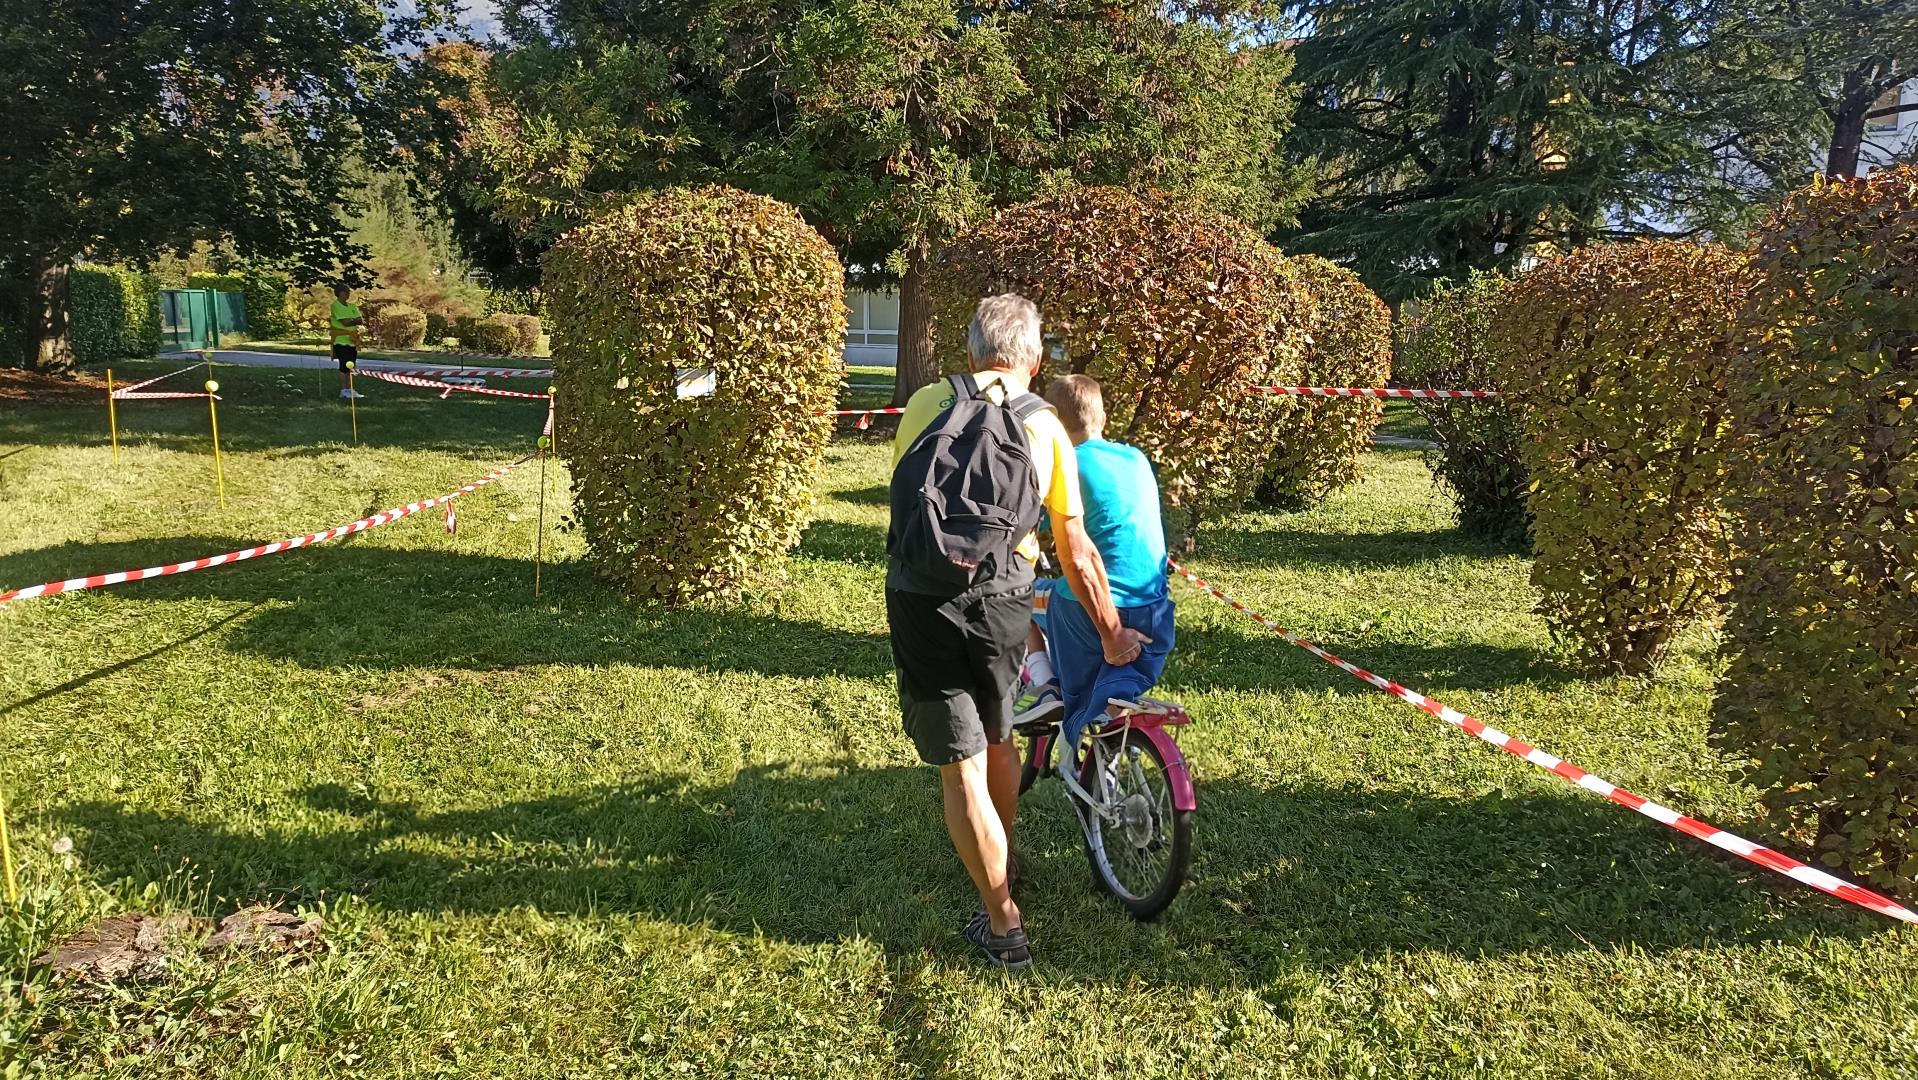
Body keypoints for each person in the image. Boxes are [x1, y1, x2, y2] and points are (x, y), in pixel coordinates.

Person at [886, 294, 1147, 971]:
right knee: (999, 738)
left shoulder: (927, 404)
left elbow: (910, 504)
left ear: (973, 350)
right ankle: (1001, 858)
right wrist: (1112, 632)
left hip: (925, 599)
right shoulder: (1046, 426)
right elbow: (1076, 551)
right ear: (1032, 360)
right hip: (1005, 600)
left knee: (960, 768)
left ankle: (1003, 921)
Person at [1020, 374, 1176, 757]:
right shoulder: (1137, 459)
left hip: (1088, 608)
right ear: (1103, 417)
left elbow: (1043, 524)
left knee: (1017, 598)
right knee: (1111, 697)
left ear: (1053, 423)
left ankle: (1046, 685)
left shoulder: (1064, 465)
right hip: (1152, 607)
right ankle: (1110, 745)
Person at [330, 284, 364, 400]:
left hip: (352, 340)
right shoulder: (336, 306)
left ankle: (351, 389)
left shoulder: (352, 306)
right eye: (346, 292)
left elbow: (360, 320)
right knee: (344, 365)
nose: (348, 294)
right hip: (341, 340)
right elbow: (345, 322)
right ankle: (344, 390)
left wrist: (352, 320)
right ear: (340, 293)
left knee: (351, 365)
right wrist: (353, 320)